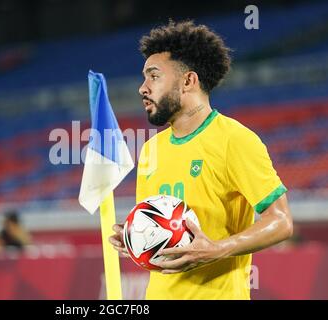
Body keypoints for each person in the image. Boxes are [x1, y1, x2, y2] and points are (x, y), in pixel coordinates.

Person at [109, 20, 293, 300]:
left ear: (188, 81)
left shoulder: (235, 140)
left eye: (153, 76)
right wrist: (136, 238)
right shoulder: (150, 149)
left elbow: (281, 222)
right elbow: (164, 228)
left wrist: (218, 249)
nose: (142, 88)